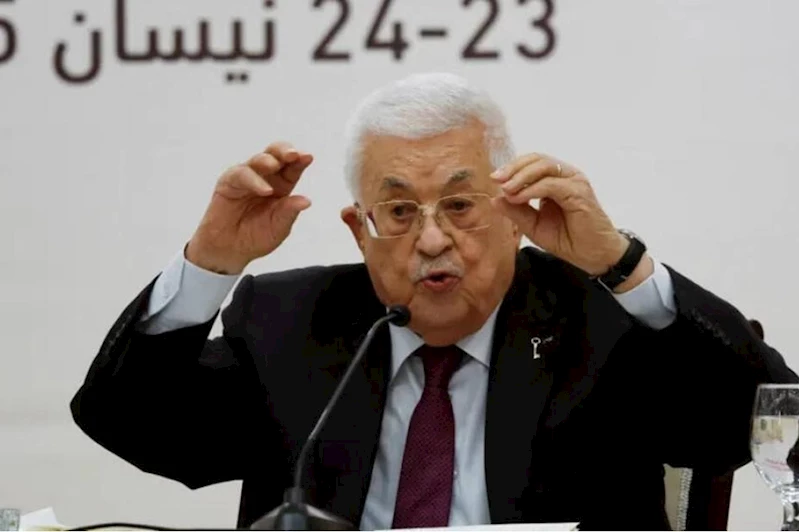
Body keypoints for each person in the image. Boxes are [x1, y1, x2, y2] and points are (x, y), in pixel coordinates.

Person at [71, 73, 797, 531]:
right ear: (358, 230)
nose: (430, 240)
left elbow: (761, 430)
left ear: (513, 216)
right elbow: (135, 427)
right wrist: (208, 266)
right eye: (398, 212)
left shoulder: (595, 315)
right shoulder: (290, 323)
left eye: (460, 204)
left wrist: (624, 267)